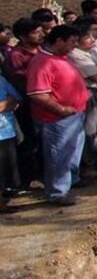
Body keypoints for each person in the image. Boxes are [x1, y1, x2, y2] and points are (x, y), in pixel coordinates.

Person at [25, 25, 89, 206]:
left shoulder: (60, 58)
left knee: (72, 152)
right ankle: (57, 192)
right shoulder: (42, 62)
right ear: (59, 41)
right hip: (58, 119)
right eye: (71, 42)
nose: (74, 46)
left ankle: (71, 180)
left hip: (75, 114)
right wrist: (60, 109)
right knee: (58, 154)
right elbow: (37, 94)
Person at [3, 18, 44, 187]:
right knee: (29, 141)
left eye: (40, 31)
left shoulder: (41, 50)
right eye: (35, 33)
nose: (40, 35)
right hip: (28, 105)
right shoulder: (16, 56)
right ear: (23, 36)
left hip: (45, 104)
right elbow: (23, 83)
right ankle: (31, 178)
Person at [68, 21, 97, 174]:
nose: (92, 40)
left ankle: (96, 159)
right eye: (87, 37)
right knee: (90, 129)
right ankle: (88, 164)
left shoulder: (92, 52)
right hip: (90, 93)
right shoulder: (75, 55)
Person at [0, 74, 22, 212]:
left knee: (5, 170)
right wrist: (6, 103)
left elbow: (16, 100)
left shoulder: (1, 79)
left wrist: (8, 103)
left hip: (6, 132)